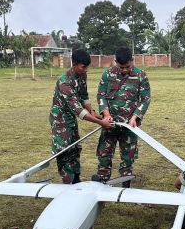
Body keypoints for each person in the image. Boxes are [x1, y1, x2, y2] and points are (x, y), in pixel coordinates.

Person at [50, 49, 113, 184]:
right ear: (74, 64)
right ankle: (68, 183)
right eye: (83, 67)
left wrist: (92, 111)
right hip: (60, 117)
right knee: (64, 150)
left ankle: (76, 179)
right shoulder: (64, 82)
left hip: (71, 116)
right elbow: (79, 111)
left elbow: (84, 97)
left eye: (87, 67)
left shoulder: (82, 75)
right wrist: (100, 122)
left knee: (75, 147)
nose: (86, 70)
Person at [94, 47, 151, 185]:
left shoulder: (141, 76)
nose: (124, 70)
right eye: (121, 67)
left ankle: (126, 183)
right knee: (104, 154)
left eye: (127, 66)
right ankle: (102, 181)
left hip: (129, 125)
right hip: (110, 124)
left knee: (128, 156)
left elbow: (145, 99)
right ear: (115, 62)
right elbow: (101, 95)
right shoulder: (107, 75)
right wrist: (106, 114)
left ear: (132, 61)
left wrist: (135, 117)